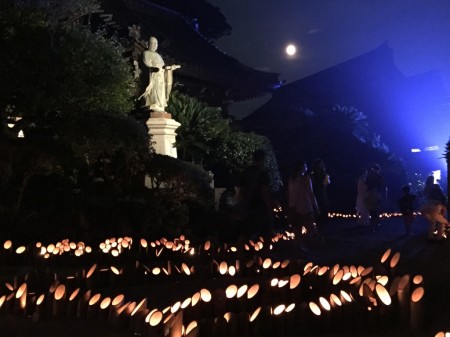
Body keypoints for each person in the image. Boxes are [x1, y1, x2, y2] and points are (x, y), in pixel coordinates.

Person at [236, 149, 273, 240]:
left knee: (244, 233)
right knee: (266, 234)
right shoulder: (263, 174)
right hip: (260, 207)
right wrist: (269, 208)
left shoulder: (245, 172)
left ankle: (241, 254)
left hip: (247, 206)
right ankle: (263, 253)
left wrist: (240, 205)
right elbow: (265, 192)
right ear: (262, 159)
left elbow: (240, 191)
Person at [139, 36, 180, 112]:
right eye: (153, 43)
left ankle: (160, 105)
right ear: (148, 44)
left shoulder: (158, 55)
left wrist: (171, 67)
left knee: (161, 91)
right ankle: (153, 103)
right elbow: (146, 64)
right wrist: (152, 68)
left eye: (156, 43)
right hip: (153, 75)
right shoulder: (146, 53)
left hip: (161, 75)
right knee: (154, 90)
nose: (155, 45)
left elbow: (164, 67)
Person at [287, 158, 321, 245]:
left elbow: (291, 195)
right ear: (302, 167)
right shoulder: (306, 179)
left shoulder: (292, 179)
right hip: (306, 207)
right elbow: (311, 194)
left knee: (297, 232)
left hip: (295, 208)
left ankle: (299, 250)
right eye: (305, 166)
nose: (306, 167)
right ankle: (314, 247)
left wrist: (291, 207)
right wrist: (316, 207)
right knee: (311, 229)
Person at [420, 175, 448, 240]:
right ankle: (439, 237)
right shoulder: (435, 186)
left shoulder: (426, 187)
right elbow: (441, 195)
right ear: (432, 180)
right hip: (436, 205)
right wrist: (445, 200)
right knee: (441, 221)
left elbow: (422, 195)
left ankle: (430, 236)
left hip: (428, 205)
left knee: (432, 222)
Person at [364, 164, 387, 232]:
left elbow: (366, 184)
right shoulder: (379, 176)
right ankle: (375, 224)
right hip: (376, 194)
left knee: (372, 210)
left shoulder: (370, 176)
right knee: (375, 210)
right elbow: (384, 186)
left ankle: (373, 225)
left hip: (371, 193)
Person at [310, 158, 331, 228]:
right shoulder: (315, 174)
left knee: (322, 208)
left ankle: (322, 224)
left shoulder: (322, 174)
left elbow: (326, 183)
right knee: (320, 208)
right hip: (318, 193)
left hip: (320, 193)